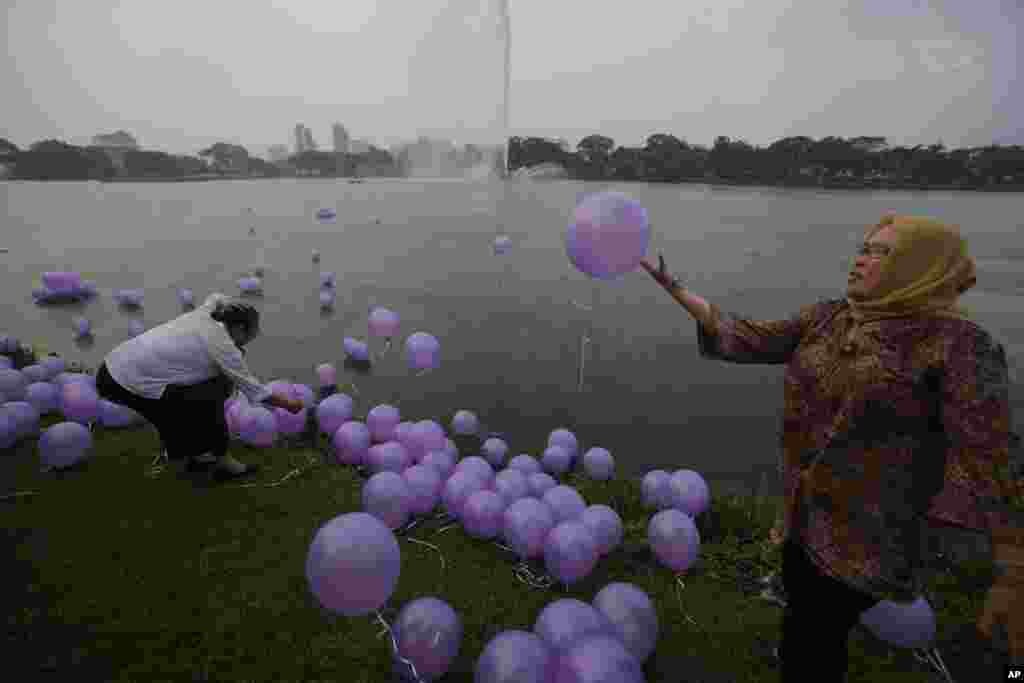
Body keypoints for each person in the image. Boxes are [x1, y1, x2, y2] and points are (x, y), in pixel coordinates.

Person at [640, 213, 1023, 681]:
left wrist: (1012, 568)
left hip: (871, 536)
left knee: (815, 628)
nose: (861, 258)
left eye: (880, 251)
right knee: (808, 618)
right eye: (863, 247)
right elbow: (750, 338)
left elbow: (992, 455)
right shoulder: (830, 317)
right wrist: (674, 288)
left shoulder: (957, 345)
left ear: (921, 266)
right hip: (805, 514)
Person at [95, 293, 304, 482]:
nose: (250, 340)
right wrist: (290, 404)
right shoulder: (223, 346)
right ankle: (223, 462)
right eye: (251, 334)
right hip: (122, 382)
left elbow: (216, 296)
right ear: (240, 329)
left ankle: (192, 455)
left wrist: (235, 304)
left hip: (111, 367)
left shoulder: (206, 312)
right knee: (210, 396)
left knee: (181, 404)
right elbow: (256, 391)